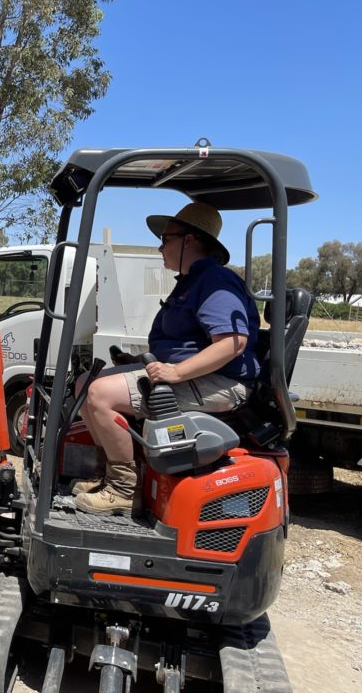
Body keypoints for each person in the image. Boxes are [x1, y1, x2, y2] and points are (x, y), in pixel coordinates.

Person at [74, 201, 261, 515]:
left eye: (166, 239)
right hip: (197, 375)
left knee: (99, 394)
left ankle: (123, 490)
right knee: (84, 383)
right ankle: (109, 472)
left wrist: (175, 372)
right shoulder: (191, 281)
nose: (160, 247)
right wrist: (138, 360)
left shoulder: (215, 281)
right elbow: (184, 342)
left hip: (222, 381)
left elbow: (232, 343)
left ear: (189, 240)